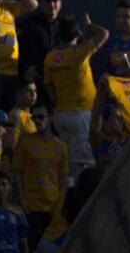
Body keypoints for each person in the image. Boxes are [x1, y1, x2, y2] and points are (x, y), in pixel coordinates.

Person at [42, 13, 106, 183]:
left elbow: (48, 86)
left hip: (60, 115)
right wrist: (89, 27)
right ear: (77, 35)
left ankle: (69, 199)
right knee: (83, 165)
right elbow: (104, 34)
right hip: (81, 115)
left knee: (69, 163)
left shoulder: (50, 57)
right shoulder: (80, 51)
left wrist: (57, 103)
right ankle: (80, 200)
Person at [10, 105, 65, 247]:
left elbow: (65, 179)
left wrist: (60, 205)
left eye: (41, 117)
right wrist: (21, 200)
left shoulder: (61, 146)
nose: (37, 121)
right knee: (29, 246)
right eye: (34, 118)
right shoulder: (25, 142)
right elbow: (17, 173)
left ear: (50, 118)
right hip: (31, 206)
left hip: (52, 207)